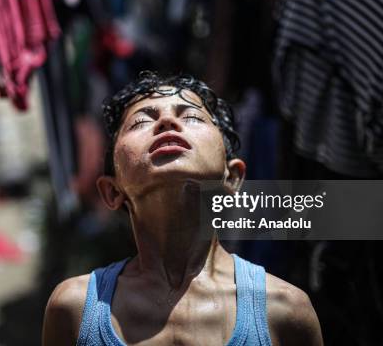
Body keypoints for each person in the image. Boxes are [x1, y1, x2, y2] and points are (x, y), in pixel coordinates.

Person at [42, 72, 324, 345]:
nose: (166, 122)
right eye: (141, 121)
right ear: (112, 191)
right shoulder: (75, 310)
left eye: (191, 117)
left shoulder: (285, 311)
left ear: (232, 178)